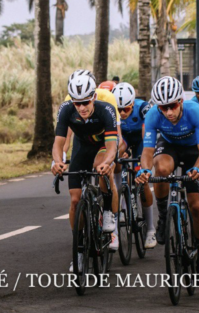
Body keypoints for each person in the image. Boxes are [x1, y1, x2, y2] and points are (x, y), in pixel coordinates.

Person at [136, 76, 199, 278]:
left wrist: (197, 169)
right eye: (163, 107)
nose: (168, 112)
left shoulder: (195, 111)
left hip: (194, 151)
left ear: (180, 101)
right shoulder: (153, 114)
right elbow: (147, 152)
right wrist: (144, 170)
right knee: (160, 170)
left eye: (172, 106)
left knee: (196, 205)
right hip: (170, 147)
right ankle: (163, 215)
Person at [52, 70, 120, 265]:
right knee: (75, 201)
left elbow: (112, 146)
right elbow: (59, 142)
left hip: (101, 146)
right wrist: (57, 162)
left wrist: (107, 163)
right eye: (77, 103)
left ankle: (107, 211)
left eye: (86, 102)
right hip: (82, 147)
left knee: (101, 166)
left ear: (94, 97)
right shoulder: (66, 109)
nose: (81, 107)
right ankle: (79, 249)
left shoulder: (105, 109)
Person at [114, 81, 157, 249]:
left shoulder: (142, 108)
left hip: (140, 140)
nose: (122, 113)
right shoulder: (114, 111)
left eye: (126, 109)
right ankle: (122, 203)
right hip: (123, 138)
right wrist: (119, 151)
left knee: (142, 179)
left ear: (132, 103)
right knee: (118, 163)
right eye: (119, 110)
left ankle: (150, 229)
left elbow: (147, 136)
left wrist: (141, 160)